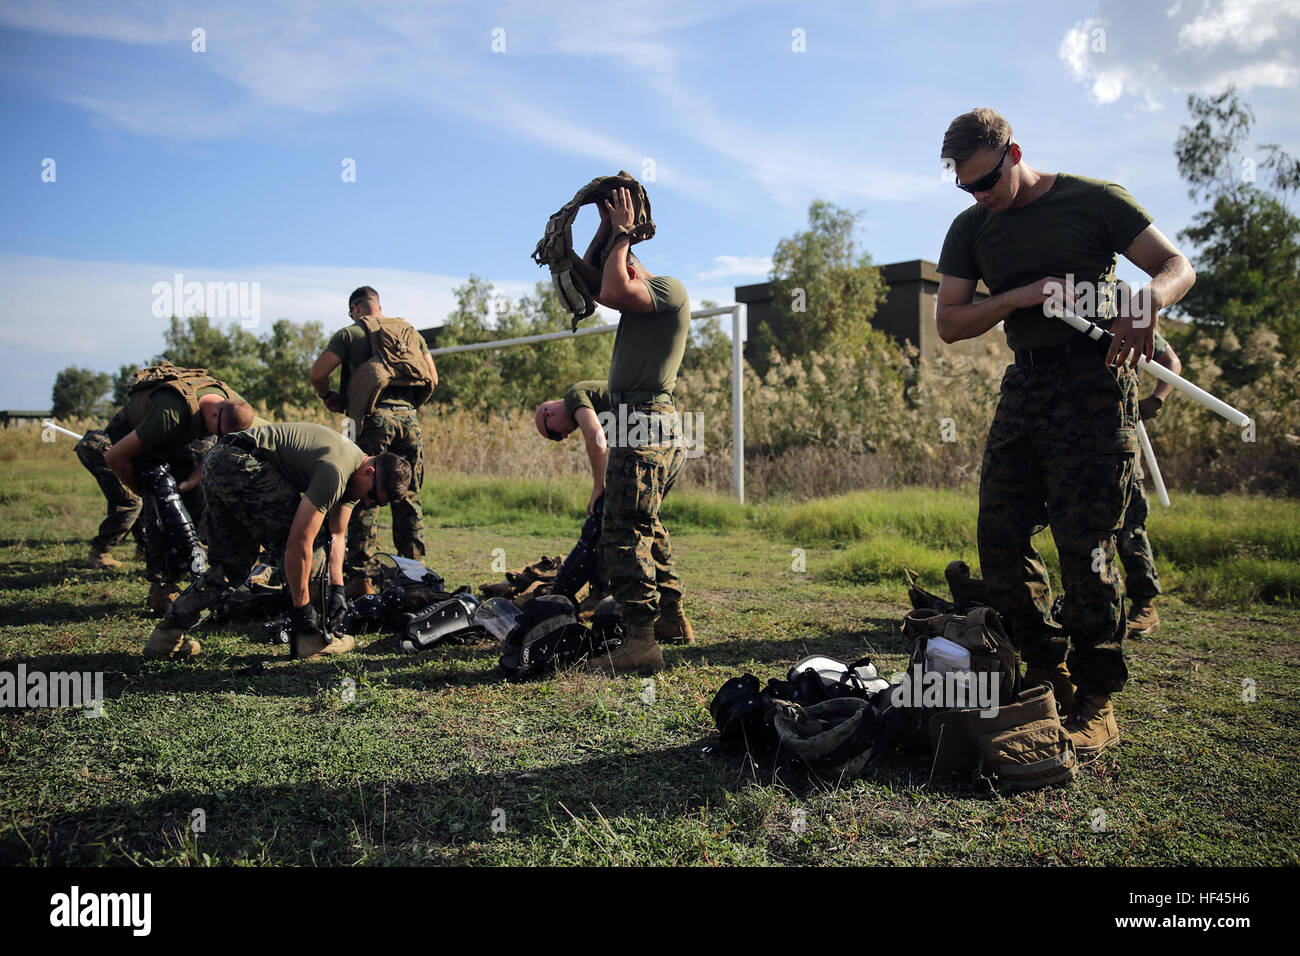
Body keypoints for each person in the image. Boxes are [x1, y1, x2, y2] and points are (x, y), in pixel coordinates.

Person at [935, 108, 1195, 754]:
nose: (979, 195)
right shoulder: (972, 227)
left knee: (1088, 544)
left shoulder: (1094, 200)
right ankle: (1048, 668)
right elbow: (951, 321)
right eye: (965, 186)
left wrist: (1147, 301)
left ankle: (1098, 697)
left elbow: (1176, 266)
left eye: (987, 181)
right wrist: (1017, 299)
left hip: (1095, 380)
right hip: (1026, 383)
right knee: (999, 532)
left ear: (1014, 153)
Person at [142, 422, 412, 660]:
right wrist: (303, 610)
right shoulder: (337, 472)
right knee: (311, 545)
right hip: (243, 462)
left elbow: (338, 534)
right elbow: (299, 542)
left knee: (233, 565)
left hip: (221, 460)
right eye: (373, 497)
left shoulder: (357, 478)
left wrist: (339, 588)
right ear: (370, 471)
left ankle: (166, 636)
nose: (368, 503)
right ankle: (311, 639)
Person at [579, 187, 693, 674]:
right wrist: (607, 232)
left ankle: (641, 642)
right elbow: (594, 283)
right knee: (646, 526)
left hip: (646, 422)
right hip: (637, 421)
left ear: (635, 264)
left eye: (622, 258)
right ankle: (671, 619)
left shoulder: (669, 289)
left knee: (621, 531)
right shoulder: (635, 298)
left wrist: (625, 233)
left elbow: (609, 289)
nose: (617, 263)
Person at [83, 364, 256, 613]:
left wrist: (192, 482)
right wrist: (143, 492)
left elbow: (213, 451)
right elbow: (115, 456)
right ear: (215, 415)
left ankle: (200, 570)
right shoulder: (169, 415)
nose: (215, 436)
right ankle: (162, 589)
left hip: (180, 439)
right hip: (135, 435)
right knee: (161, 503)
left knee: (195, 498)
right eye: (216, 433)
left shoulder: (231, 407)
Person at [309, 286, 437, 597]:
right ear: (379, 306)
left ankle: (361, 579)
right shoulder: (409, 333)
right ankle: (414, 574)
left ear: (355, 308)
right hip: (410, 421)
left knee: (362, 496)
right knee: (408, 495)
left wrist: (328, 396)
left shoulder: (350, 334)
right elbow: (432, 378)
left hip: (370, 419)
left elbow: (317, 373)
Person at [1120, 334, 1181, 637]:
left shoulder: (1123, 307)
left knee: (1130, 524)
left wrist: (1157, 399)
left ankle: (1145, 604)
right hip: (1065, 433)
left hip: (1120, 436)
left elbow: (1170, 362)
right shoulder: (1056, 304)